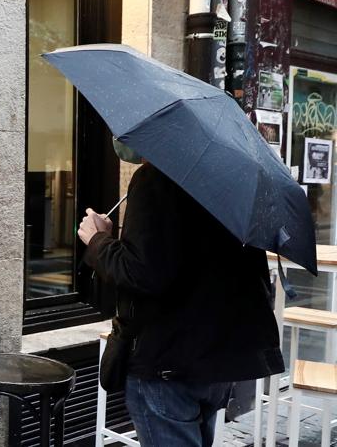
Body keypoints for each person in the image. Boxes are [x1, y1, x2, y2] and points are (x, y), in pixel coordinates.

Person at [77, 138, 282, 446]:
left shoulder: (154, 180)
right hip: (218, 359)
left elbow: (143, 273)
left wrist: (97, 240)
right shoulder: (231, 184)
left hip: (168, 362)